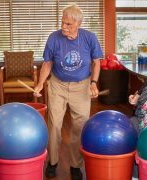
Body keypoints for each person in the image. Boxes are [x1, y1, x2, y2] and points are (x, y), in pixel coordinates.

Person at [33, 4, 103, 180]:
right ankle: (53, 162)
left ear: (78, 23)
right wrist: (41, 83)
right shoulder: (54, 38)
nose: (64, 27)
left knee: (79, 126)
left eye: (68, 24)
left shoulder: (89, 38)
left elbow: (97, 62)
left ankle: (75, 165)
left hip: (81, 86)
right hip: (58, 85)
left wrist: (93, 83)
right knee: (54, 124)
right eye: (62, 22)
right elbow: (47, 64)